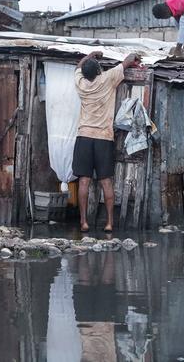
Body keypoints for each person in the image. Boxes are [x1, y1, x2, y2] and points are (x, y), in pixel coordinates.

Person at [73, 50, 141, 233]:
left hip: (84, 136)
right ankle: (109, 223)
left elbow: (78, 67)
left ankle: (84, 222)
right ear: (98, 71)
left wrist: (89, 55)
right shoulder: (107, 79)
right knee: (106, 182)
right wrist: (135, 55)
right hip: (104, 137)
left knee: (84, 182)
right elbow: (128, 60)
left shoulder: (80, 84)